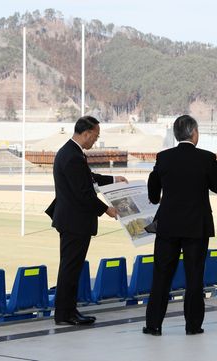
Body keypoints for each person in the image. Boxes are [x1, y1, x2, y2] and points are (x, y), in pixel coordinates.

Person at [143, 115, 217, 336]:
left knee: (161, 276)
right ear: (194, 133)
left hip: (168, 225)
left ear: (176, 134)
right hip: (196, 227)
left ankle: (153, 325)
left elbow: (152, 193)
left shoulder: (163, 158)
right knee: (194, 277)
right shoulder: (207, 158)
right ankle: (193, 326)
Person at [46, 115, 126, 326]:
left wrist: (112, 179)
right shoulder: (72, 156)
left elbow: (88, 178)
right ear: (87, 133)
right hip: (74, 221)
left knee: (71, 267)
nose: (95, 141)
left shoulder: (71, 152)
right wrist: (106, 209)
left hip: (71, 220)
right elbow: (83, 192)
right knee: (70, 268)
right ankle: (65, 313)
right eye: (95, 136)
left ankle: (67, 311)